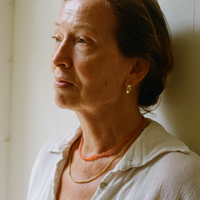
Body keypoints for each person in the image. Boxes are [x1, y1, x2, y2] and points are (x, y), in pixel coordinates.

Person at [27, 0, 200, 199]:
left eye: (82, 40)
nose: (57, 58)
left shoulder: (177, 178)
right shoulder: (48, 158)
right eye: (57, 37)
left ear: (135, 68)